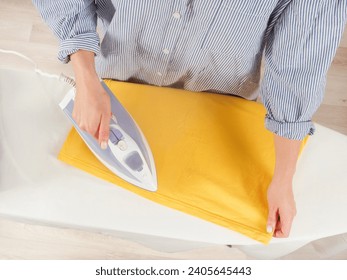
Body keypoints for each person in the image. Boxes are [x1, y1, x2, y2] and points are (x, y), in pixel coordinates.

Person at [32, 0, 347, 238]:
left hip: (218, 106)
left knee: (187, 233)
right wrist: (85, 76)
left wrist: (283, 178)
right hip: (119, 85)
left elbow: (299, 64)